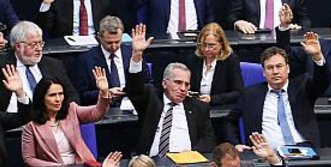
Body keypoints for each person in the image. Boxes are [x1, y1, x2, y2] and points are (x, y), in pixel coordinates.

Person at [124, 24, 217, 153]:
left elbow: (209, 140)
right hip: (151, 164)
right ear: (164, 83)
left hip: (185, 164)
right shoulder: (151, 99)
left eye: (186, 84)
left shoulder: (198, 107)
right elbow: (134, 89)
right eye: (178, 82)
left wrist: (193, 152)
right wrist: (137, 55)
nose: (183, 88)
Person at [233, 37, 330, 147]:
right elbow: (230, 120)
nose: (275, 72)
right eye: (270, 68)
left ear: (288, 68)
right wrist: (236, 144)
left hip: (303, 147)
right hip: (267, 151)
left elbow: (323, 82)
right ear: (264, 72)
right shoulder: (250, 93)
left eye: (279, 66)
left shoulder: (302, 87)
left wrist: (317, 57)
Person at [0, 20, 79, 113]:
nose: (38, 48)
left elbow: (72, 96)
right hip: (11, 124)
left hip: (48, 122)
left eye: (40, 43)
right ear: (18, 46)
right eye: (33, 44)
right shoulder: (1, 64)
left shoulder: (54, 65)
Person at [21, 69, 110, 167]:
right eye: (52, 95)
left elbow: (97, 113)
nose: (58, 99)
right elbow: (29, 159)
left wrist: (104, 92)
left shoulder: (71, 110)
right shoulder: (31, 126)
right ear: (41, 98)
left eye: (61, 94)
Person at [184, 22, 244, 108]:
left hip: (219, 109)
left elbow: (238, 92)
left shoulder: (230, 61)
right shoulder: (193, 60)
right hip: (195, 108)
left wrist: (212, 99)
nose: (207, 49)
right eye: (203, 45)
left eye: (211, 45)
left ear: (221, 45)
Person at [76, 15, 133, 106]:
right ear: (99, 37)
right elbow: (81, 95)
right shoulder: (86, 59)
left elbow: (147, 84)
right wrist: (104, 93)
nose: (114, 46)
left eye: (117, 41)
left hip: (133, 105)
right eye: (109, 42)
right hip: (104, 109)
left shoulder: (132, 54)